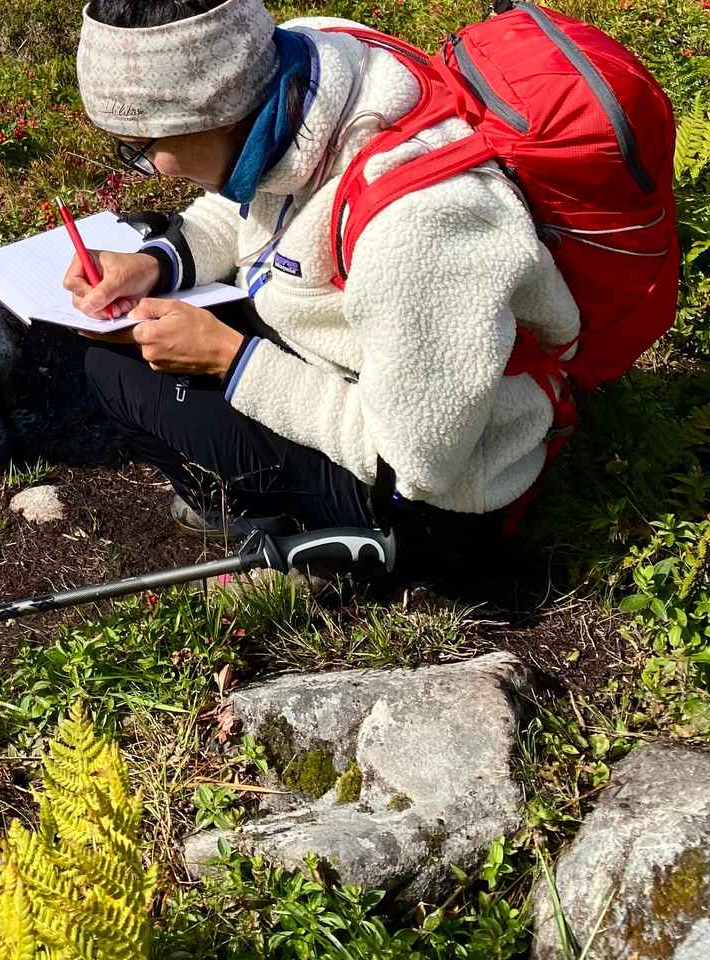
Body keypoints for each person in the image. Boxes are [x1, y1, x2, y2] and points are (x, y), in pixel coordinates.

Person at [65, 0, 579, 564]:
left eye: (140, 150)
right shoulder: (307, 65)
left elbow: (420, 461)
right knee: (129, 347)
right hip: (370, 366)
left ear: (215, 110)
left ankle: (266, 524)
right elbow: (249, 203)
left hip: (448, 499)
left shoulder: (419, 226)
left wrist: (229, 360)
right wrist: (159, 262)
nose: (146, 168)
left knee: (113, 369)